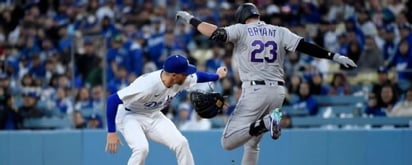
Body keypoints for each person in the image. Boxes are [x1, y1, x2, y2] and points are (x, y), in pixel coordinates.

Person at [176, 3, 357, 165]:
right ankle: (267, 121)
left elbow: (214, 33)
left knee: (227, 142)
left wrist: (191, 19)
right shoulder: (279, 31)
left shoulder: (241, 29)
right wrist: (334, 56)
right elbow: (305, 46)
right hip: (278, 93)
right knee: (252, 143)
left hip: (255, 90)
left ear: (241, 17)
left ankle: (266, 122)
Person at [105, 54, 227, 165]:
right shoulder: (147, 85)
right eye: (185, 73)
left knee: (181, 143)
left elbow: (199, 76)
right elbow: (112, 100)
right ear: (174, 75)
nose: (188, 75)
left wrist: (217, 76)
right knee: (141, 149)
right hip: (130, 116)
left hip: (153, 114)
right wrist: (111, 132)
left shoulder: (180, 79)